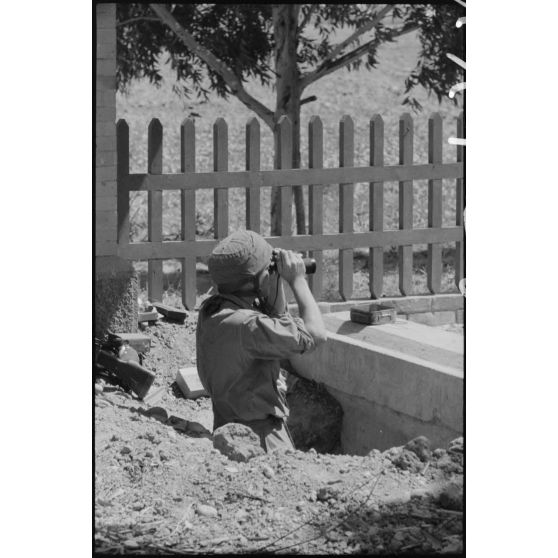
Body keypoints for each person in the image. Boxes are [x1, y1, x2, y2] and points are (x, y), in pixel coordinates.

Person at [196, 230, 328, 452]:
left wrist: (270, 282)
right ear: (256, 280)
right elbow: (316, 334)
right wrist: (297, 280)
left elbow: (277, 320)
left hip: (230, 432)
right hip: (261, 440)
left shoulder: (214, 311)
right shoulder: (247, 326)